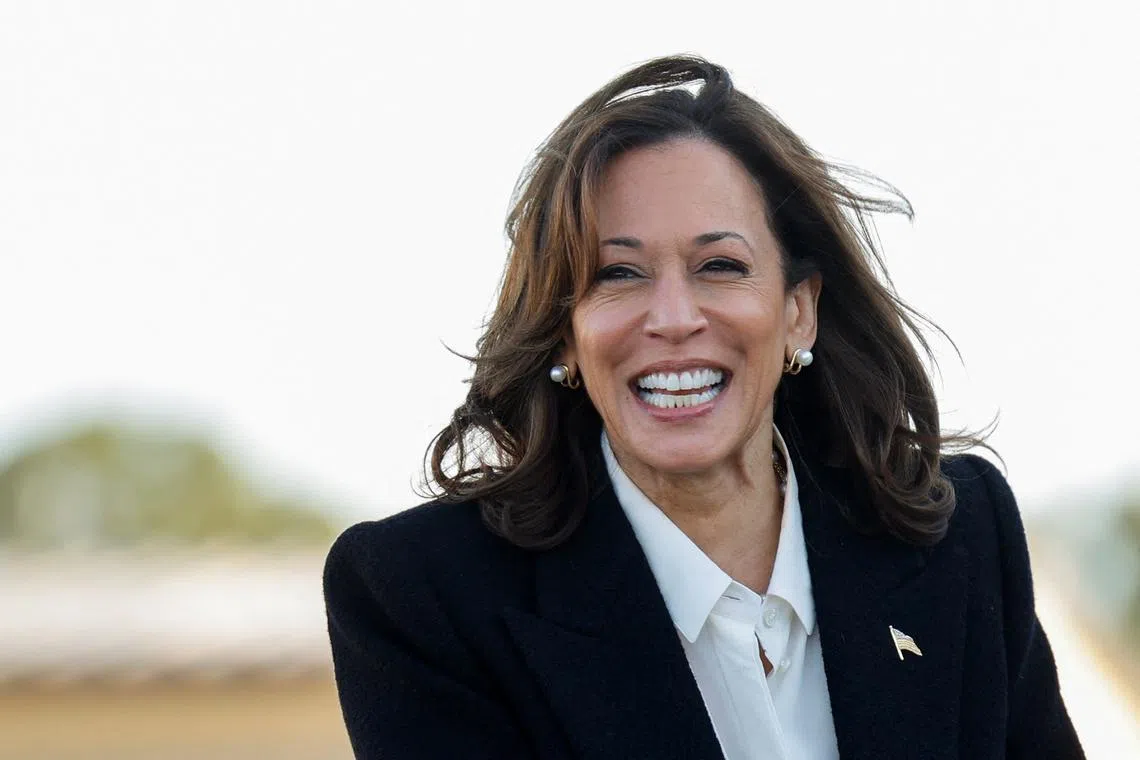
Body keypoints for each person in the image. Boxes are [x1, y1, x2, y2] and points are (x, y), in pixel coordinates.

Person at [323, 55, 1083, 759]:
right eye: (617, 274)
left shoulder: (963, 538)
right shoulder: (420, 597)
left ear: (798, 313)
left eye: (720, 266)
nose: (674, 317)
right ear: (564, 336)